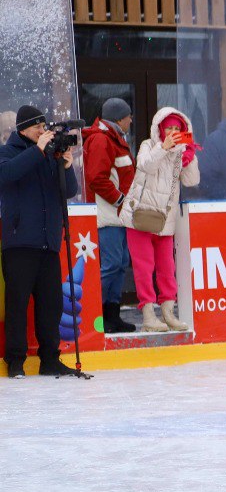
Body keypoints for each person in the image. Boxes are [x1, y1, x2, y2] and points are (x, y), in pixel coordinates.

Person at [0, 104, 80, 378]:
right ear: (23, 128)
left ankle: (50, 359)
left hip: (48, 243)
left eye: (44, 127)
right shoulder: (6, 153)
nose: (43, 131)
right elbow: (7, 175)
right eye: (38, 127)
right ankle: (16, 361)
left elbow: (68, 191)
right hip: (19, 243)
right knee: (17, 305)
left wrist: (66, 166)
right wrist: (37, 151)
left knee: (51, 305)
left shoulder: (48, 156)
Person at [120, 107, 200, 333]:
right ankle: (148, 315)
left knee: (167, 267)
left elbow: (192, 181)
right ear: (160, 129)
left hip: (164, 220)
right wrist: (162, 148)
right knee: (144, 267)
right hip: (141, 216)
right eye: (169, 128)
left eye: (177, 128)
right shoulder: (148, 145)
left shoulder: (180, 152)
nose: (173, 132)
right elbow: (145, 165)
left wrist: (190, 156)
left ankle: (167, 312)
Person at [81, 97, 137, 334]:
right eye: (128, 116)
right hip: (108, 216)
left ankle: (111, 315)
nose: (131, 120)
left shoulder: (112, 138)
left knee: (120, 264)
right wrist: (120, 200)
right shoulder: (101, 140)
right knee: (112, 264)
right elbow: (97, 178)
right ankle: (95, 315)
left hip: (118, 215)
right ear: (119, 118)